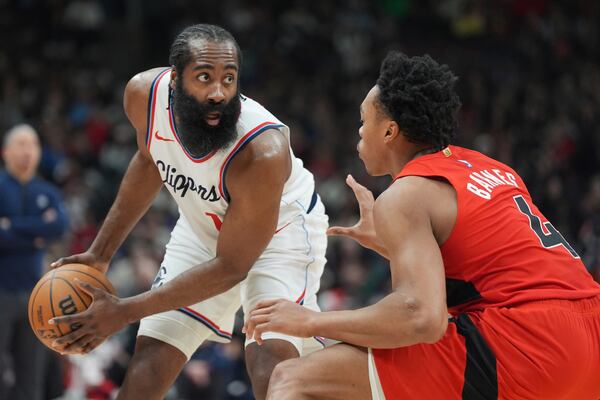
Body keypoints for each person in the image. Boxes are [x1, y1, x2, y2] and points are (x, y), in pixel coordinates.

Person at [244, 52, 600, 400]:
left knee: (293, 379)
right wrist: (386, 243)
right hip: (589, 337)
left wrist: (310, 320)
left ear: (389, 131)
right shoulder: (494, 168)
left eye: (364, 120)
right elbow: (489, 273)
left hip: (526, 344)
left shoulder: (406, 195)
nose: (359, 130)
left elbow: (421, 318)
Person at [49, 24, 328, 400]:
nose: (218, 93)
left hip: (281, 234)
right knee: (149, 362)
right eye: (204, 77)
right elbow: (149, 162)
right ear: (176, 79)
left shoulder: (262, 150)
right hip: (203, 227)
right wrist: (100, 254)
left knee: (269, 367)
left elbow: (231, 267)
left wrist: (123, 312)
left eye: (229, 79)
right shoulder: (143, 95)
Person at [0, 124, 69, 400]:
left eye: (33, 145)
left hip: (35, 297)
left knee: (32, 376)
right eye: (21, 144)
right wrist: (37, 233)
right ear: (5, 151)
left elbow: (59, 227)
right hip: (1, 291)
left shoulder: (48, 191)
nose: (28, 151)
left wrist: (11, 228)